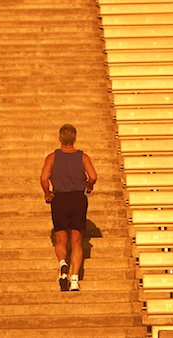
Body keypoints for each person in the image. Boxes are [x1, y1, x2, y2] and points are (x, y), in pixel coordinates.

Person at [40, 124, 97, 291]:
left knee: (60, 239)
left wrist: (47, 192)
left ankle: (62, 263)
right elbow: (93, 176)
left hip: (60, 199)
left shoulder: (52, 157)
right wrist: (89, 185)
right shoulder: (82, 157)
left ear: (60, 138)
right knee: (77, 241)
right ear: (75, 138)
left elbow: (44, 178)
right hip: (78, 199)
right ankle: (74, 279)